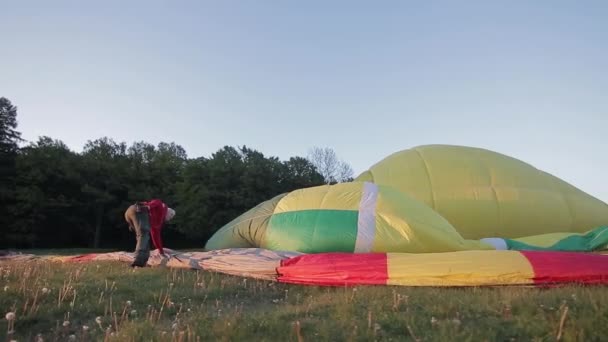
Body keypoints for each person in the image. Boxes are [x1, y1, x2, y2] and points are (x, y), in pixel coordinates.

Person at [124, 199, 176, 267]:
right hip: (138, 210)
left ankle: (143, 261)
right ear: (169, 212)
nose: (169, 219)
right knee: (143, 235)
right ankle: (138, 260)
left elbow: (156, 236)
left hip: (129, 214)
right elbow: (157, 202)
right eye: (171, 216)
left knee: (144, 237)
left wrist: (161, 251)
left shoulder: (157, 222)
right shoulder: (162, 207)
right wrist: (149, 206)